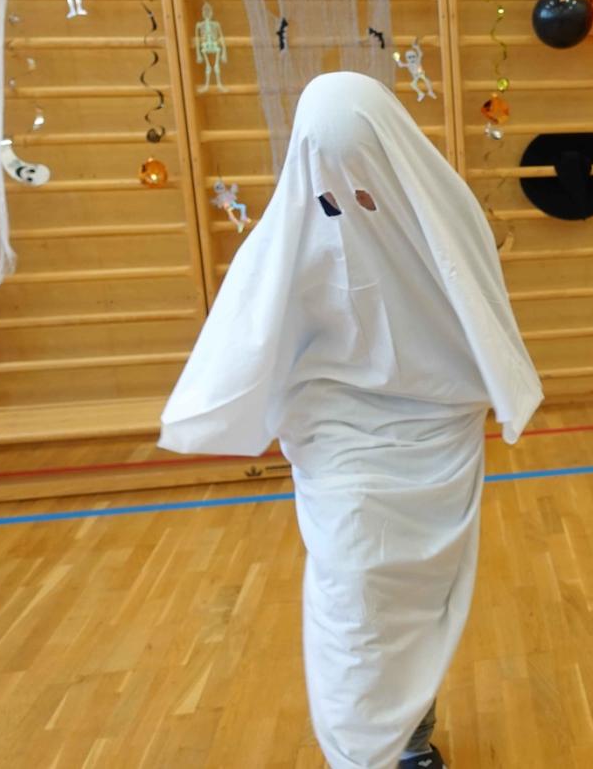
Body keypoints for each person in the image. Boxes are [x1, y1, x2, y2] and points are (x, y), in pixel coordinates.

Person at [159, 71, 542, 769]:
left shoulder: (446, 212)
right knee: (355, 591)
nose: (347, 204)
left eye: (364, 184)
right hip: (336, 433)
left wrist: (489, 392)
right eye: (331, 189)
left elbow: (478, 310)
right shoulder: (291, 227)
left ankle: (410, 739)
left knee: (413, 602)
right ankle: (364, 751)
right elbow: (254, 329)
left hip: (434, 430)